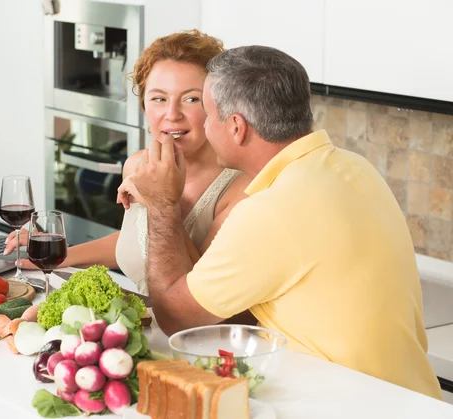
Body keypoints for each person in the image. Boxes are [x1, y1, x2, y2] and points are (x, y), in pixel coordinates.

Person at [116, 45, 442, 399]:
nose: (205, 126)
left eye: (207, 113)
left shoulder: (270, 210)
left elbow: (178, 316)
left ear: (237, 127)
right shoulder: (355, 167)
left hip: (347, 403)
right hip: (414, 399)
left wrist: (164, 204)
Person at [4, 30, 251, 295]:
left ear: (217, 106)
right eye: (159, 98)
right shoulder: (137, 165)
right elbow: (136, 243)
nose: (171, 114)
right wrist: (56, 252)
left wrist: (160, 203)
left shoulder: (241, 189)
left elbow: (200, 295)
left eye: (191, 99)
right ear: (144, 105)